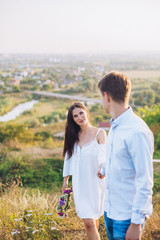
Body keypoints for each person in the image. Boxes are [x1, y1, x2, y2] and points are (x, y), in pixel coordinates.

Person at [97, 72, 154, 240]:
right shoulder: (115, 125)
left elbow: (145, 181)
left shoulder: (137, 131)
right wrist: (104, 169)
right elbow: (118, 158)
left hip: (127, 218)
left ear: (106, 96)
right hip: (110, 210)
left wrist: (136, 224)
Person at [62, 101, 106, 240]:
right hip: (80, 183)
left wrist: (102, 166)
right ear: (73, 120)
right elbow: (68, 158)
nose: (80, 117)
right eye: (75, 116)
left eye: (81, 113)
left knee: (91, 222)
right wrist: (66, 180)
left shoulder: (100, 133)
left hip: (95, 182)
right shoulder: (72, 136)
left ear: (86, 112)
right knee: (89, 223)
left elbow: (103, 154)